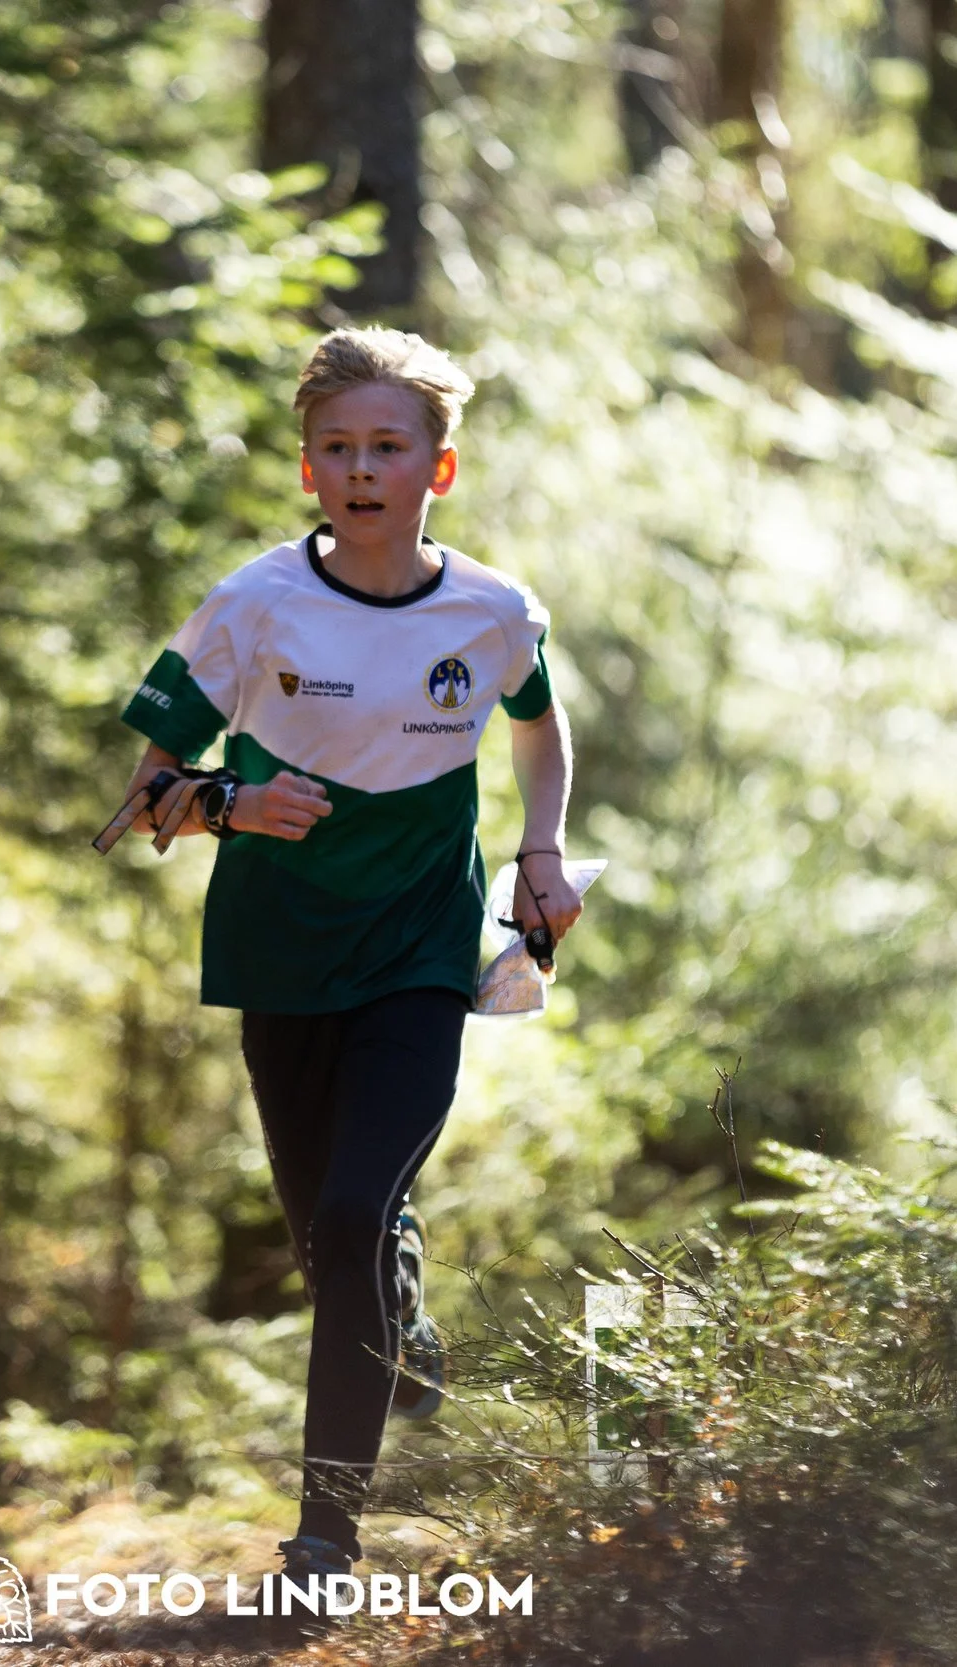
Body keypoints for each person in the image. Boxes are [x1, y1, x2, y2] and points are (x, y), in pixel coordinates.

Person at [103, 328, 583, 1584]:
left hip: (421, 947)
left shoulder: (492, 610)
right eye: (337, 448)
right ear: (307, 469)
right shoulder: (253, 603)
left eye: (387, 446)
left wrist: (542, 853)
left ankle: (325, 1533)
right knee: (330, 1237)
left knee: (357, 1209)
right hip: (278, 952)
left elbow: (539, 733)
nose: (362, 468)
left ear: (442, 467)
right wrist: (225, 803)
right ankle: (400, 1305)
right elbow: (139, 795)